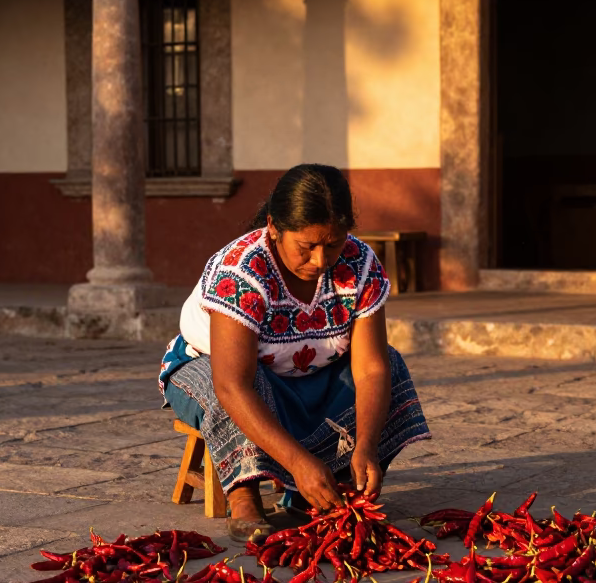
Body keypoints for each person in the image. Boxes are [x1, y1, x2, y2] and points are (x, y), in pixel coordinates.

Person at [159, 164, 430, 541]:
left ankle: (324, 487)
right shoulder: (240, 271)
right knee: (233, 380)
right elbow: (231, 384)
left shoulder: (360, 263)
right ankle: (244, 497)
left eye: (333, 244)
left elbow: (370, 368)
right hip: (211, 371)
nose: (321, 261)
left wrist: (367, 446)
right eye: (307, 246)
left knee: (391, 363)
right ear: (274, 226)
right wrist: (299, 462)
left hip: (307, 376)